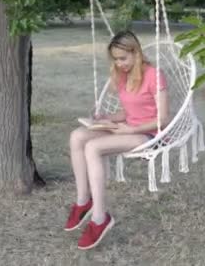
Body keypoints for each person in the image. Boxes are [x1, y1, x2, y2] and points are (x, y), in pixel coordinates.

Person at [64, 30, 168, 250]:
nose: (119, 64)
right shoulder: (123, 76)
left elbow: (163, 118)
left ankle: (100, 219)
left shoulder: (154, 75)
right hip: (127, 128)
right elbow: (127, 111)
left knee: (92, 147)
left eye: (123, 58)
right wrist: (105, 118)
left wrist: (132, 130)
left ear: (136, 53)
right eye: (115, 59)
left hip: (150, 134)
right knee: (77, 137)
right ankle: (83, 201)